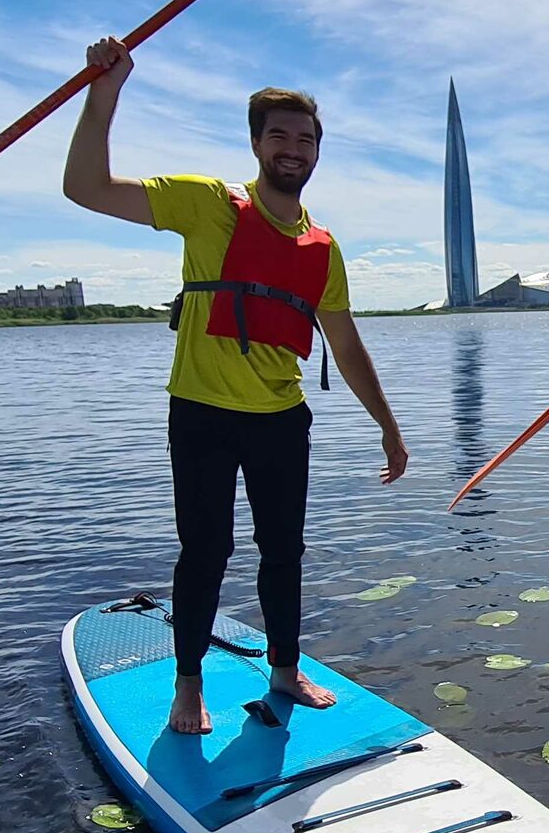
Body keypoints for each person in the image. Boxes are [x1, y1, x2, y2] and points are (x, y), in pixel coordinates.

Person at [63, 36, 408, 735]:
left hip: (282, 417)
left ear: (317, 152)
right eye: (279, 134)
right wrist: (106, 89)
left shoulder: (324, 246)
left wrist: (389, 426)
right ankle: (187, 686)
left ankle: (285, 668)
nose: (293, 147)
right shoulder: (206, 205)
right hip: (202, 413)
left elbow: (344, 341)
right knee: (206, 550)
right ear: (257, 143)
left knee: (285, 552)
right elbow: (85, 188)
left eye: (306, 138)